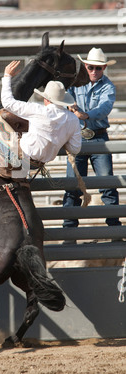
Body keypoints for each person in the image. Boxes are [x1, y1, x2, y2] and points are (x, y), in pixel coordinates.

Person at [62, 47, 121, 241]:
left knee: (107, 187)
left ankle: (113, 231)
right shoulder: (74, 85)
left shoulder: (108, 87)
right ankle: (70, 233)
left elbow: (104, 108)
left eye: (98, 68)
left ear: (104, 68)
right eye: (91, 67)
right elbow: (62, 99)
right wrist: (67, 105)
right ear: (85, 66)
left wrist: (85, 115)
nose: (94, 71)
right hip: (79, 137)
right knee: (73, 187)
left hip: (94, 137)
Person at [1, 60, 82, 173]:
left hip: (21, 156)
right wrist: (61, 136)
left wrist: (7, 76)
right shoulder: (73, 119)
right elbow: (75, 148)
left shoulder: (38, 110)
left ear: (46, 99)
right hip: (38, 164)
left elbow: (7, 103)